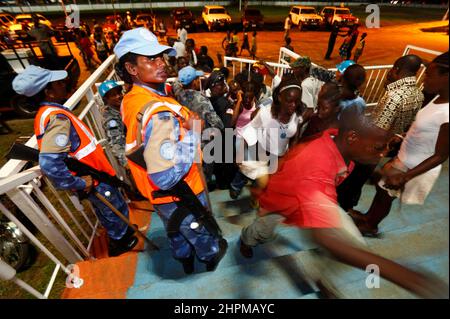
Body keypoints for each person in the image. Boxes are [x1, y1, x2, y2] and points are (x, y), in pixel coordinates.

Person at [239, 104, 447, 299]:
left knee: (352, 241)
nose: (383, 154)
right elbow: (325, 239)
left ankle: (323, 280)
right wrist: (406, 277)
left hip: (313, 195)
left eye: (385, 148)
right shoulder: (316, 169)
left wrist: (378, 177)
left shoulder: (338, 140)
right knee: (263, 231)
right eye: (378, 147)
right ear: (353, 137)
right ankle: (246, 239)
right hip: (284, 200)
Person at [114, 28, 227, 274]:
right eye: (150, 59)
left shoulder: (132, 98)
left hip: (160, 196)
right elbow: (165, 176)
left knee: (175, 230)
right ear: (132, 69)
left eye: (161, 57)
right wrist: (193, 133)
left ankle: (184, 260)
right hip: (181, 191)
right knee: (198, 230)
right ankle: (209, 258)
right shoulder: (159, 113)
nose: (162, 64)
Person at [12, 65, 138, 257]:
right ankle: (121, 240)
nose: (64, 85)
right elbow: (50, 163)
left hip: (95, 173)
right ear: (48, 92)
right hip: (91, 177)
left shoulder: (49, 113)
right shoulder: (56, 119)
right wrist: (77, 183)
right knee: (111, 210)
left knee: (111, 208)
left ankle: (123, 230)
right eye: (58, 83)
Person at [350, 52, 449, 237]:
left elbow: (441, 155)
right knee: (382, 189)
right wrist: (403, 136)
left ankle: (371, 225)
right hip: (406, 155)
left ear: (446, 77)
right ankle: (368, 217)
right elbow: (427, 128)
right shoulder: (436, 98)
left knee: (387, 194)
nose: (423, 78)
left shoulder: (448, 112)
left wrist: (406, 176)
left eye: (429, 75)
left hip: (415, 164)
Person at [337, 56, 424, 215]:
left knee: (351, 180)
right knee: (358, 182)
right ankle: (348, 206)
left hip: (370, 147)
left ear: (396, 69)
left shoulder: (394, 95)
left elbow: (378, 129)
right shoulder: (418, 94)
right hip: (386, 147)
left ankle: (341, 209)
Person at [231, 79, 307, 200]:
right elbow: (250, 129)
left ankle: (255, 196)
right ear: (280, 97)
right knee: (245, 172)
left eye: (296, 101)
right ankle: (235, 187)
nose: (293, 105)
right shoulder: (266, 113)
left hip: (277, 158)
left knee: (263, 181)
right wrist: (240, 153)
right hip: (259, 151)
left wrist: (291, 155)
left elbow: (294, 135)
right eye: (289, 101)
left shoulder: (297, 115)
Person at [172, 66, 225, 190]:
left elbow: (176, 84)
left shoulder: (178, 93)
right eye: (197, 78)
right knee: (204, 172)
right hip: (202, 142)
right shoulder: (202, 100)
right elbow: (218, 124)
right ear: (194, 82)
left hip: (185, 138)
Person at [98, 80, 127, 166]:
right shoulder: (111, 120)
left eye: (119, 93)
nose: (118, 96)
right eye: (113, 95)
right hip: (131, 156)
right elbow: (115, 143)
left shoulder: (121, 107)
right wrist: (126, 163)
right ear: (106, 99)